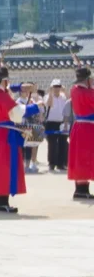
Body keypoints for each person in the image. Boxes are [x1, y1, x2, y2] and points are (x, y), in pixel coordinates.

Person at [0, 63, 34, 213]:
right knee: (5, 167)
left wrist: (19, 87)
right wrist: (36, 106)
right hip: (5, 135)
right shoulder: (2, 96)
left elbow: (8, 94)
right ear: (4, 81)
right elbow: (17, 113)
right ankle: (2, 202)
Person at [68, 64, 94, 199]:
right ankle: (83, 190)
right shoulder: (89, 93)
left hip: (79, 126)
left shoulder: (74, 90)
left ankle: (80, 188)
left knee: (79, 157)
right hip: (88, 128)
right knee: (86, 156)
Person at [44, 80, 69, 172]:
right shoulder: (48, 96)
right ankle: (52, 163)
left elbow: (69, 102)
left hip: (62, 122)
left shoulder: (63, 97)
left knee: (63, 143)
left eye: (58, 86)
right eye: (55, 86)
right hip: (51, 122)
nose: (57, 88)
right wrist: (51, 92)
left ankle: (61, 163)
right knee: (52, 144)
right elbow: (49, 104)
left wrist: (65, 90)